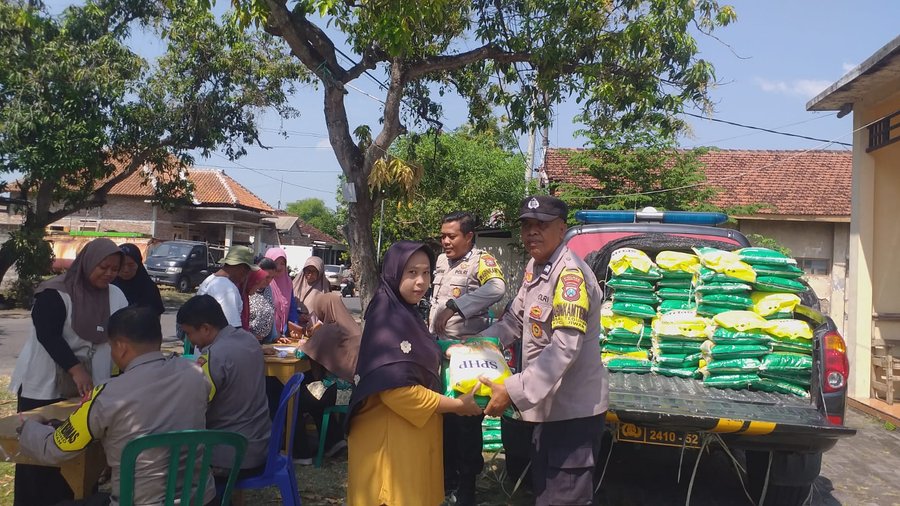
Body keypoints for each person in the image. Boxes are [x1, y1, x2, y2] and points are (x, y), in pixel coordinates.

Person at [478, 195, 609, 506]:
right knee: (544, 494)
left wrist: (511, 390)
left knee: (561, 500)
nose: (532, 232)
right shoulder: (536, 267)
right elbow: (513, 321)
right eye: (526, 226)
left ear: (561, 228)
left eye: (542, 225)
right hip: (547, 410)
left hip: (572, 416)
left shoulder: (570, 277)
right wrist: (474, 346)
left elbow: (564, 347)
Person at [18, 306, 215, 506]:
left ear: (121, 347)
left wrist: (29, 425)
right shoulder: (195, 374)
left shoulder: (108, 395)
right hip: (201, 499)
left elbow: (55, 448)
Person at [346, 241, 483, 506]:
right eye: (411, 273)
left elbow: (416, 349)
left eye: (426, 273)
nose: (421, 282)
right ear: (394, 272)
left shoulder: (403, 310)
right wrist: (455, 405)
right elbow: (397, 392)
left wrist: (444, 349)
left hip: (409, 437)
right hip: (389, 444)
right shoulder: (386, 315)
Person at [9, 238, 128, 506]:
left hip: (89, 389)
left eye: (114, 269)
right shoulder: (55, 292)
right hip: (44, 384)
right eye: (103, 267)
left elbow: (123, 335)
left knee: (79, 451)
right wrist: (75, 370)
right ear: (87, 263)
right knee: (36, 456)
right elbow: (48, 335)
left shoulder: (116, 296)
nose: (109, 273)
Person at [428, 211, 507, 504]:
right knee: (444, 418)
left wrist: (456, 306)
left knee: (466, 422)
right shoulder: (440, 261)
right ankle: (446, 481)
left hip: (466, 357)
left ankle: (466, 487)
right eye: (443, 236)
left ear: (469, 236)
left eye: (452, 236)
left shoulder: (481, 261)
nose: (445, 241)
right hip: (439, 353)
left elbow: (497, 288)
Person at [176, 295, 271, 481]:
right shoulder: (250, 340)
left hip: (229, 456)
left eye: (188, 333)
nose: (189, 340)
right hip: (261, 443)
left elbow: (195, 407)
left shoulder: (214, 357)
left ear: (205, 328)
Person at [292, 290, 362, 463]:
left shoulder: (330, 329)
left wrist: (303, 345)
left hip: (337, 390)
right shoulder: (352, 326)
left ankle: (301, 453)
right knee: (314, 394)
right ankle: (334, 442)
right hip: (355, 389)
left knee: (295, 398)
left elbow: (302, 355)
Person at [197, 245, 259, 328]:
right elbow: (232, 328)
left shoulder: (210, 280)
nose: (246, 277)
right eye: (247, 272)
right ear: (242, 269)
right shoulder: (227, 288)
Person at [111, 243, 164, 316]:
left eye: (131, 265)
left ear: (138, 264)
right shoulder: (108, 285)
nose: (126, 269)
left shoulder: (149, 288)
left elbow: (156, 319)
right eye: (121, 264)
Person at [264, 247, 300, 337]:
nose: (279, 267)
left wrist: (294, 327)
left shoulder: (288, 283)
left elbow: (292, 307)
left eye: (282, 263)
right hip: (265, 333)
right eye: (275, 263)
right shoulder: (263, 282)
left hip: (283, 334)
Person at [291, 256, 329, 326]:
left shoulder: (324, 288)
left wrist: (312, 317)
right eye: (307, 270)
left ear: (320, 273)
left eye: (314, 271)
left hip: (315, 328)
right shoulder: (296, 284)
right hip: (294, 326)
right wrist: (297, 316)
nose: (310, 274)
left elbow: (327, 312)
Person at [247, 258, 277, 342]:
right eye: (267, 277)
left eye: (272, 277)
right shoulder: (248, 290)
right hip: (248, 341)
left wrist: (275, 336)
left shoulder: (268, 289)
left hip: (266, 340)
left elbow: (271, 314)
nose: (269, 281)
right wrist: (250, 335)